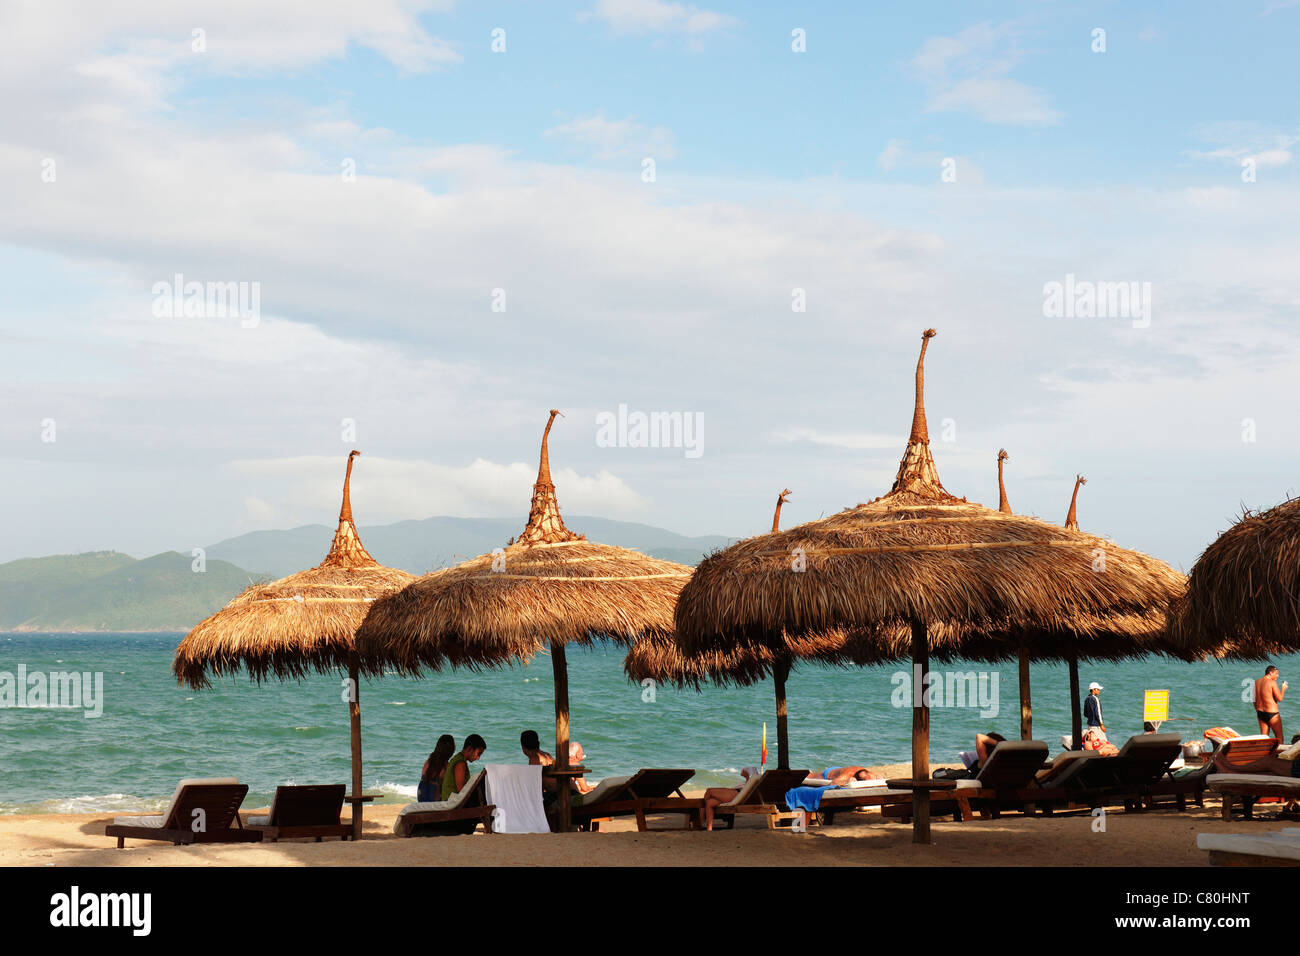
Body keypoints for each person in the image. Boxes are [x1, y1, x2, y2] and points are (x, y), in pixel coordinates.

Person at [440, 733, 486, 801]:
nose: (478, 757)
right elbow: (461, 790)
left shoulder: (456, 758)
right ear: (469, 749)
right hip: (450, 801)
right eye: (478, 754)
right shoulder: (460, 763)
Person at [1253, 665, 1288, 740]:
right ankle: (1280, 752)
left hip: (1260, 713)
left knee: (1264, 738)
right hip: (1272, 713)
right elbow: (1279, 698)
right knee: (1279, 737)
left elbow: (1254, 699)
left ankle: (1263, 751)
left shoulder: (1257, 682)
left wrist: (1257, 710)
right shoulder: (1272, 683)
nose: (1277, 676)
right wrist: (1283, 689)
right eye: (1276, 673)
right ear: (1270, 673)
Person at [418, 734, 455, 802]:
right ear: (451, 750)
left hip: (421, 799)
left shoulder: (428, 762)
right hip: (435, 802)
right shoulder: (447, 767)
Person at [817, 766, 881, 785]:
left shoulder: (869, 773)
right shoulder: (848, 774)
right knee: (811, 776)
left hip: (840, 770)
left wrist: (877, 777)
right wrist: (847, 781)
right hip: (829, 773)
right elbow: (833, 783)